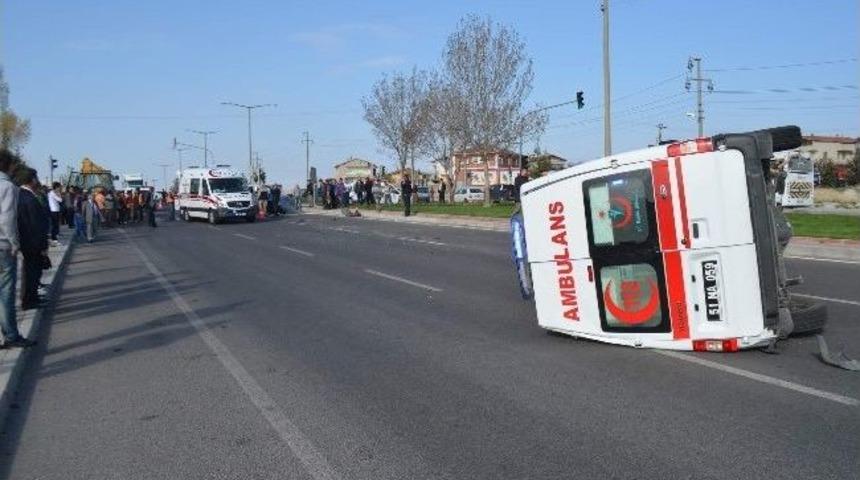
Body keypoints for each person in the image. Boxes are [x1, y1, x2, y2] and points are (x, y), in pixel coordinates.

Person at [0, 151, 35, 348]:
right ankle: (11, 335)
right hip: (3, 246)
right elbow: (6, 218)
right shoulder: (7, 187)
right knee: (6, 293)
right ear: (8, 166)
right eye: (13, 165)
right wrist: (15, 243)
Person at [17, 167, 49, 311]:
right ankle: (30, 300)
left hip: (29, 241)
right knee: (32, 272)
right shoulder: (28, 198)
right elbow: (34, 224)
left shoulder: (23, 195)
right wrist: (42, 245)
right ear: (32, 180)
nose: (38, 181)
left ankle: (32, 296)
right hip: (33, 242)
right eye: (36, 178)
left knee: (32, 271)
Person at [48, 182, 63, 246]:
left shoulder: (53, 193)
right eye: (59, 187)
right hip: (53, 211)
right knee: (54, 226)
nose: (60, 188)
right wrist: (59, 194)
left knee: (56, 225)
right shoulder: (52, 193)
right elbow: (60, 200)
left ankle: (55, 238)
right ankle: (54, 240)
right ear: (56, 187)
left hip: (56, 210)